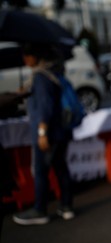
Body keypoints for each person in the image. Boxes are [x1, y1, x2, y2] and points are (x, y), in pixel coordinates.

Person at [12, 43, 75, 225]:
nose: (25, 60)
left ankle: (40, 209)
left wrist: (41, 133)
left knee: (41, 171)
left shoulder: (40, 77)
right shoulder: (54, 73)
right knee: (61, 168)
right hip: (61, 131)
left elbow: (45, 107)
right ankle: (66, 206)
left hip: (48, 133)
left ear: (35, 57)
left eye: (27, 55)